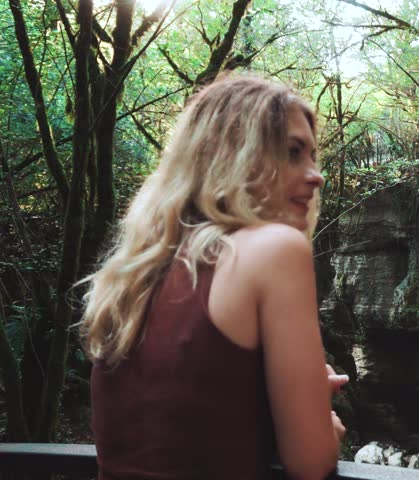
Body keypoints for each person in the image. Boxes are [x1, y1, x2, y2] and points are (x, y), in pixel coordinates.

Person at [79, 73, 347, 479]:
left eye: (312, 155)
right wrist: (323, 427)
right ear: (235, 155)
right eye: (293, 152)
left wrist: (290, 397)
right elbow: (310, 463)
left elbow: (174, 425)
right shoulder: (275, 248)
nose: (316, 175)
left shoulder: (136, 275)